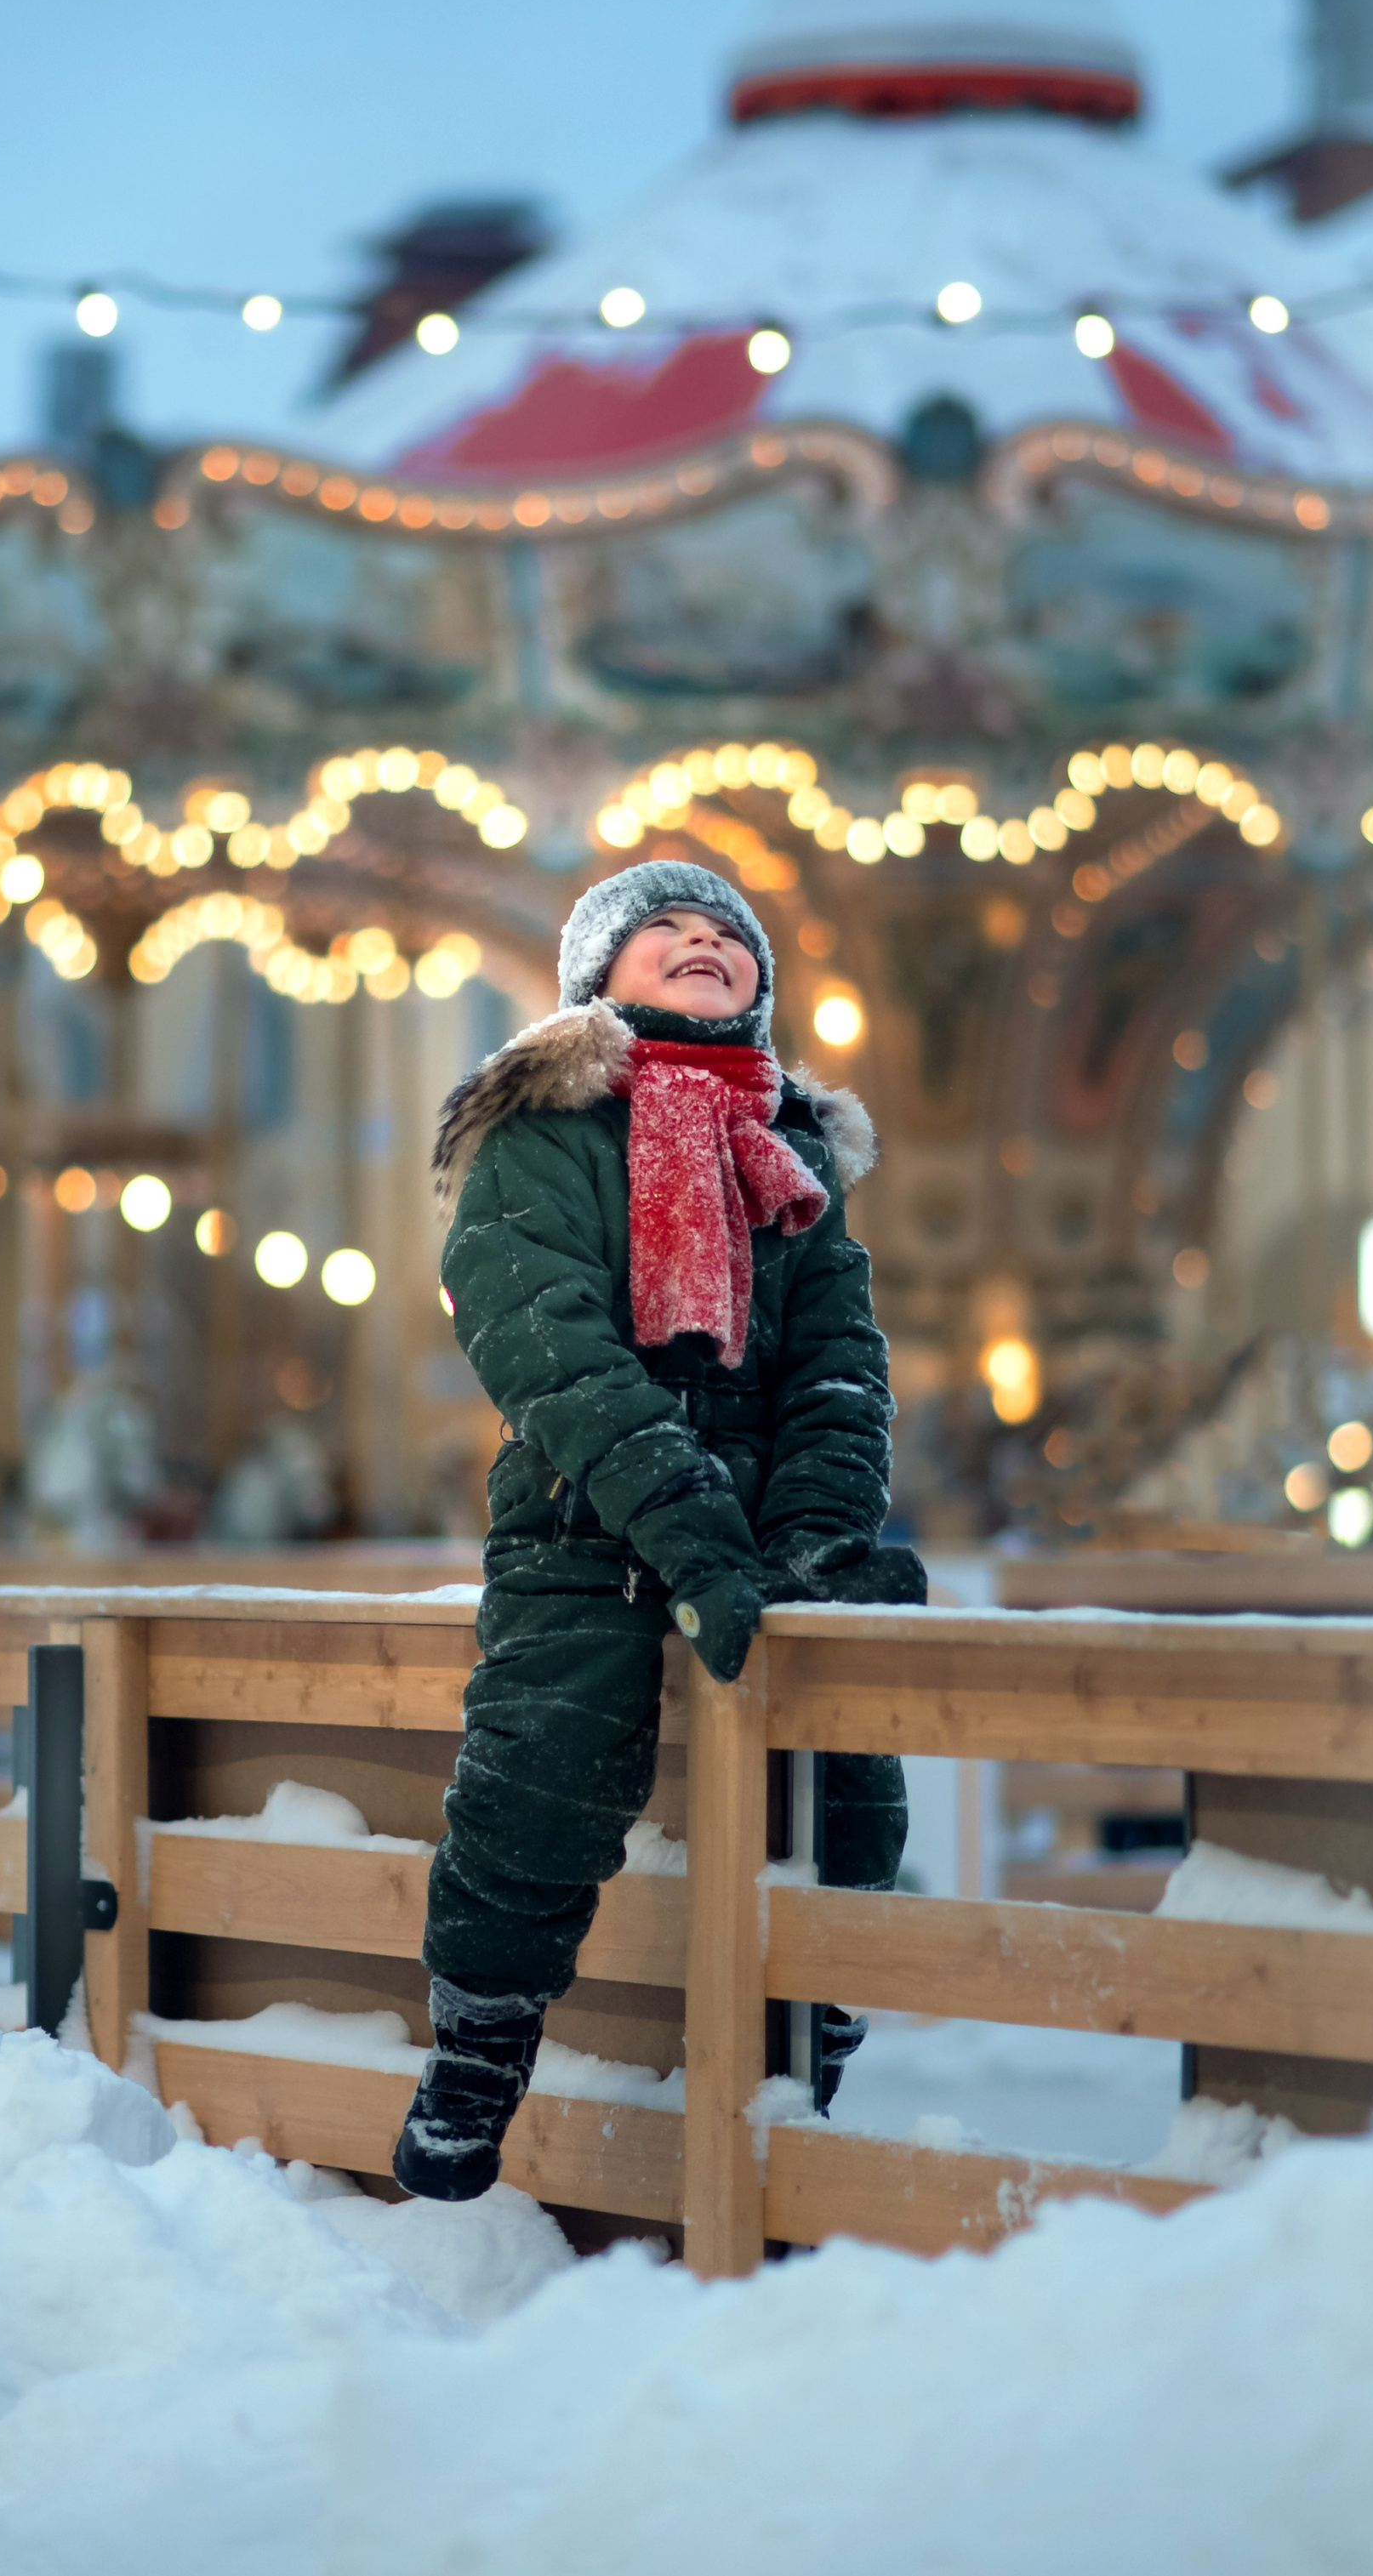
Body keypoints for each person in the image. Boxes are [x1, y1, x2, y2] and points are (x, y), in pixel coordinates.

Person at [393, 860, 922, 2203]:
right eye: (665, 931)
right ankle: (477, 2052)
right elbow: (541, 1334)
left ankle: (821, 2034)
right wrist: (686, 1526)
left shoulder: (789, 1152)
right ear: (597, 979)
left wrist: (813, 1533)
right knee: (540, 1763)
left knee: (852, 1776)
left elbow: (838, 1364)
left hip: (762, 1534)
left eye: (728, 935)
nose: (703, 942)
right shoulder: (546, 1128)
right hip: (586, 1518)